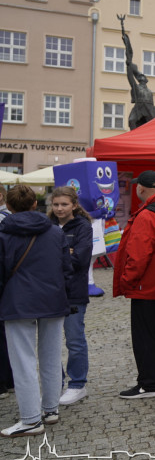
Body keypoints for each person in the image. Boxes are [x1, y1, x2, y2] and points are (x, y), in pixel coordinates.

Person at [0, 184, 72, 437]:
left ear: (8, 206)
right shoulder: (55, 232)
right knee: (51, 357)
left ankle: (31, 419)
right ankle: (50, 409)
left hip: (18, 302)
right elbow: (67, 267)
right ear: (34, 204)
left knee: (23, 361)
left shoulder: (4, 233)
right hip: (52, 299)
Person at [113, 170, 155, 399]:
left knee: (146, 335)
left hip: (146, 285)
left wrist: (126, 280)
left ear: (140, 188)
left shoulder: (148, 215)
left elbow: (139, 255)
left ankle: (149, 384)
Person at [48, 186, 92, 406]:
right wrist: (67, 251)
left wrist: (59, 255)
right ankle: (55, 384)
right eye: (56, 204)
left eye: (64, 204)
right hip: (49, 292)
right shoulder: (47, 225)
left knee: (74, 340)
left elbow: (80, 260)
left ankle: (77, 384)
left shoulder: (83, 226)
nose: (59, 208)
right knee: (50, 343)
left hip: (74, 292)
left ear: (74, 205)